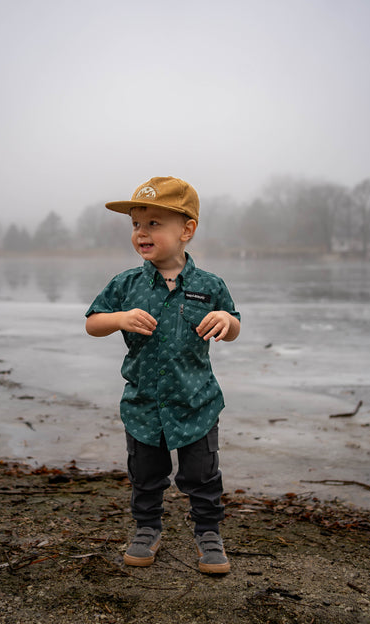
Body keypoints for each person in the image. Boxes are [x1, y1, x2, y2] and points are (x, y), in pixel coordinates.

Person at [85, 176, 241, 574]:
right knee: (146, 475)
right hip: (143, 403)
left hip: (197, 401)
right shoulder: (126, 283)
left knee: (202, 475)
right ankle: (146, 528)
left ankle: (208, 533)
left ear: (186, 229)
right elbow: (93, 323)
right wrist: (119, 317)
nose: (142, 232)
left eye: (154, 223)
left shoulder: (209, 286)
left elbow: (235, 325)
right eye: (137, 224)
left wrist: (226, 319)